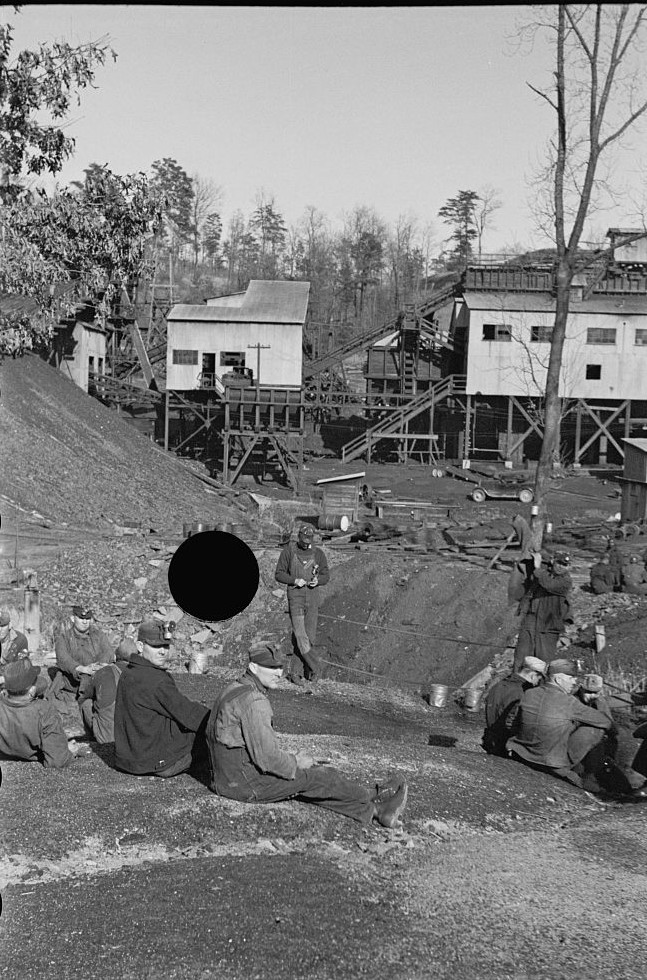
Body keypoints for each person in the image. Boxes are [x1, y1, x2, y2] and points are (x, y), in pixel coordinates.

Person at [206, 643, 409, 828]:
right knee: (314, 777)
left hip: (227, 779)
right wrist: (296, 761)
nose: (279, 673)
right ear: (253, 668)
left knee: (310, 781)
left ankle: (377, 810)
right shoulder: (254, 702)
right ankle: (372, 796)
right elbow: (267, 759)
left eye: (280, 667)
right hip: (245, 785)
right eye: (272, 668)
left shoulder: (234, 688)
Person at [114, 619, 210, 777]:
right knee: (211, 736)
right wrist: (218, 718)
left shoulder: (129, 672)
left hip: (129, 759)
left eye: (165, 646)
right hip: (157, 763)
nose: (162, 651)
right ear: (140, 646)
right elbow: (188, 714)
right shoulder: (156, 679)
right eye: (155, 646)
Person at [506, 658, 614, 788]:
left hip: (521, 754)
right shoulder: (569, 702)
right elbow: (606, 722)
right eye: (571, 678)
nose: (574, 682)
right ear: (558, 679)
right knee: (595, 729)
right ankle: (583, 772)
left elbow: (510, 723)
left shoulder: (529, 693)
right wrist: (600, 701)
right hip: (549, 762)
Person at [0, 659, 84, 768]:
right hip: (33, 756)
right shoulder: (45, 710)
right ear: (31, 690)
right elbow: (57, 761)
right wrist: (68, 752)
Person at [274, 524, 330, 686]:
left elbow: (326, 575)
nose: (306, 543)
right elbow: (279, 574)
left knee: (309, 637)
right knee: (300, 636)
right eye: (304, 540)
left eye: (309, 540)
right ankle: (316, 667)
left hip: (312, 598)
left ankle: (297, 673)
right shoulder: (289, 552)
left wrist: (317, 580)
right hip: (296, 598)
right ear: (298, 537)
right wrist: (294, 580)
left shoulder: (318, 554)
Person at [513, 551, 573, 672]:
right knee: (521, 657)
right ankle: (517, 683)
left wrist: (537, 566)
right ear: (553, 562)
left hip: (549, 626)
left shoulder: (565, 581)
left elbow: (548, 584)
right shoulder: (544, 574)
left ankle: (541, 687)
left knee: (543, 661)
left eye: (565, 565)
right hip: (531, 621)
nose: (561, 567)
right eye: (559, 563)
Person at [50, 602, 115, 710]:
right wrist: (83, 669)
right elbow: (63, 659)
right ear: (73, 618)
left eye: (88, 618)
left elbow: (108, 652)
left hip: (98, 674)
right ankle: (85, 701)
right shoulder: (63, 638)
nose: (85, 622)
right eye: (81, 618)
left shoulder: (99, 635)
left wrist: (97, 666)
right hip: (75, 681)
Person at [481, 656, 546, 757]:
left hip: (490, 738)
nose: (538, 683)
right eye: (539, 679)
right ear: (533, 675)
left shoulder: (500, 684)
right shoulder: (523, 693)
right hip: (505, 746)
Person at [78, 638, 137, 743]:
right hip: (136, 737)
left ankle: (93, 739)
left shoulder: (103, 672)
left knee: (86, 703)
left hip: (108, 738)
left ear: (115, 656)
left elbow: (85, 696)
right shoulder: (142, 673)